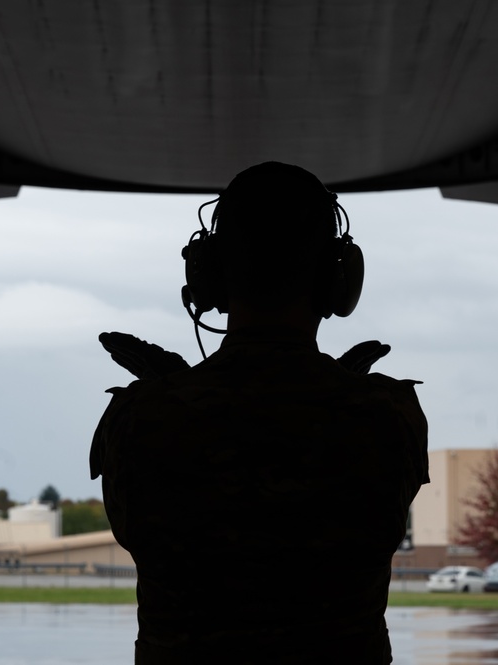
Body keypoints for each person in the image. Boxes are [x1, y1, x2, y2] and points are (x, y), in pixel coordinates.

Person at [90, 162, 429, 664]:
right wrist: (342, 397)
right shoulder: (388, 416)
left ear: (207, 277)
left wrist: (174, 398)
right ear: (339, 279)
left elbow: (141, 535)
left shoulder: (142, 418)